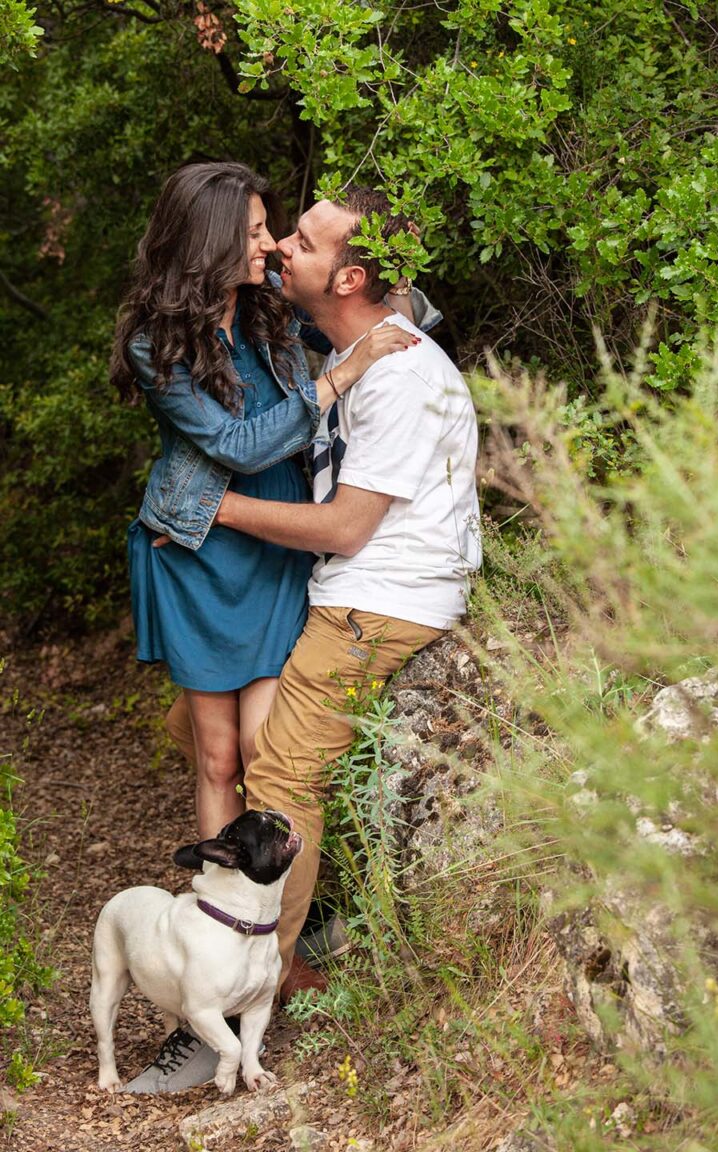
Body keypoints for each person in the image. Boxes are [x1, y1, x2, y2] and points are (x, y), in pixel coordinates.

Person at [133, 187, 481, 1093]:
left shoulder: (384, 364)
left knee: (278, 770)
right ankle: (293, 919)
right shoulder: (318, 331)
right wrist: (376, 326)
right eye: (266, 234)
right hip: (310, 576)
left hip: (356, 583)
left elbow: (344, 528)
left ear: (351, 274)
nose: (281, 245)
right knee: (203, 741)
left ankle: (255, 980)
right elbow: (364, 323)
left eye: (294, 237)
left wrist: (210, 508)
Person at [109, 162, 423, 843]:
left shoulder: (271, 306)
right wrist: (338, 380)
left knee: (264, 751)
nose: (272, 243)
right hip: (199, 557)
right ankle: (227, 927)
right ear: (212, 241)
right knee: (219, 759)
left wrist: (394, 278)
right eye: (254, 231)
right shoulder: (154, 343)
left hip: (276, 544)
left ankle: (278, 923)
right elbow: (237, 446)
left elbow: (358, 312)